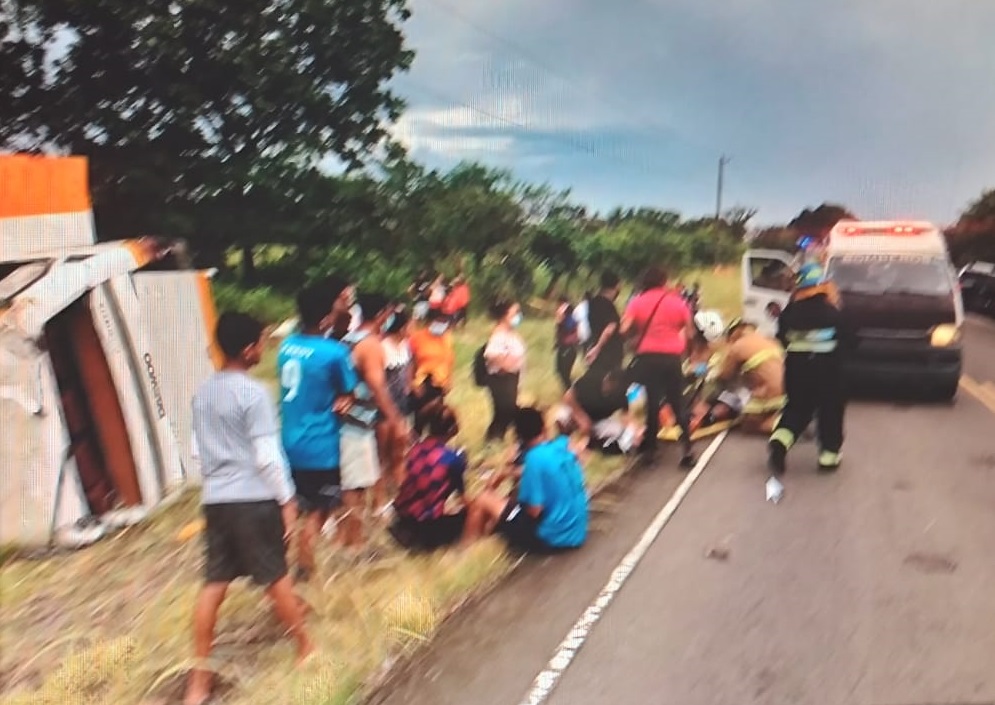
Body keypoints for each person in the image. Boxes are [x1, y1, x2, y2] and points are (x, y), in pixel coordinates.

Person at [185, 312, 313, 705]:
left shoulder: (203, 393)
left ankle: (199, 680)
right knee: (275, 576)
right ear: (247, 349)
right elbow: (267, 456)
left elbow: (194, 450)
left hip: (216, 500)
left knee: (213, 586)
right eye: (260, 342)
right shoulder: (252, 394)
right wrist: (287, 499)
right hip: (252, 497)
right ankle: (306, 647)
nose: (263, 348)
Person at [278, 281, 358, 582]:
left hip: (289, 440)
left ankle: (276, 566)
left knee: (292, 508)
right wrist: (345, 399)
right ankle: (305, 570)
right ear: (326, 318)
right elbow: (349, 392)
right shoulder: (334, 353)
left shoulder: (286, 347)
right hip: (320, 445)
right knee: (317, 512)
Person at [463, 407, 589, 553]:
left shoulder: (533, 459)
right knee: (506, 504)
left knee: (483, 499)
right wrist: (509, 474)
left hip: (553, 538)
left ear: (519, 437)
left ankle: (467, 550)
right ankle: (485, 539)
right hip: (577, 532)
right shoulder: (563, 445)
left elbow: (534, 511)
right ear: (544, 428)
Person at [768, 263, 851, 478]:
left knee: (796, 409)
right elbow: (849, 341)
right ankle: (828, 457)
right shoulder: (833, 312)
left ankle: (780, 441)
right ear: (822, 285)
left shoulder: (790, 313)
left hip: (797, 370)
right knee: (830, 412)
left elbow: (782, 338)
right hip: (829, 372)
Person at [341, 293, 407, 548]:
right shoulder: (372, 345)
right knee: (356, 486)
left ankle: (349, 536)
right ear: (382, 314)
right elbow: (378, 387)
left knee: (355, 480)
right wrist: (396, 419)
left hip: (350, 416)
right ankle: (354, 544)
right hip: (358, 422)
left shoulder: (348, 339)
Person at [621, 266, 696, 468]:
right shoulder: (678, 302)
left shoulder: (636, 303)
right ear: (664, 281)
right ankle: (687, 449)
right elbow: (689, 333)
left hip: (648, 359)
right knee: (677, 403)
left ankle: (650, 453)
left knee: (653, 404)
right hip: (672, 358)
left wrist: (636, 337)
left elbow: (624, 328)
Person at [389, 404, 471, 552]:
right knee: (473, 514)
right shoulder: (452, 459)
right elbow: (463, 499)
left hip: (403, 519)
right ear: (452, 429)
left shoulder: (415, 450)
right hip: (428, 528)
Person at [717, 318, 785, 435]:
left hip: (769, 391)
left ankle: (784, 425)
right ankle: (785, 417)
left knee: (748, 423)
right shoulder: (768, 340)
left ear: (735, 332)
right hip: (788, 387)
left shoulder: (738, 346)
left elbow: (725, 375)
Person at [561, 367, 640, 455]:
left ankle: (589, 445)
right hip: (575, 411)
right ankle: (564, 439)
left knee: (619, 431)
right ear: (610, 380)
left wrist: (634, 432)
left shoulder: (621, 395)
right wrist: (580, 416)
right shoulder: (590, 379)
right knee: (562, 418)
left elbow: (626, 416)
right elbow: (568, 397)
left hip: (597, 422)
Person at [483, 300, 527, 442]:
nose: (517, 316)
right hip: (502, 380)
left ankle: (497, 439)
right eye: (514, 313)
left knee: (505, 412)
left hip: (512, 379)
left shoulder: (511, 334)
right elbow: (491, 354)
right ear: (504, 316)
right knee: (505, 411)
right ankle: (494, 439)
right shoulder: (498, 335)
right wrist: (506, 365)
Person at [381, 307, 414, 492]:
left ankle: (401, 487)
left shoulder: (405, 345)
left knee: (400, 449)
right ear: (401, 328)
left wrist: (409, 386)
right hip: (387, 407)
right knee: (385, 452)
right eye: (410, 324)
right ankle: (385, 489)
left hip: (402, 404)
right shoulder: (384, 348)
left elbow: (409, 366)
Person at [584, 271, 625, 374]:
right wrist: (598, 348)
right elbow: (609, 328)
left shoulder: (593, 303)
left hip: (596, 349)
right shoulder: (608, 305)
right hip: (609, 354)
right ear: (617, 285)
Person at [409, 307, 456, 393]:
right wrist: (412, 385)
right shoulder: (417, 338)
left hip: (441, 385)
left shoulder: (447, 338)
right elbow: (411, 363)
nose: (442, 324)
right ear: (431, 321)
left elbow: (449, 360)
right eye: (439, 321)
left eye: (444, 322)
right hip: (421, 385)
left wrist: (449, 382)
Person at [554, 296, 580, 390]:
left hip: (568, 348)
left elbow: (569, 328)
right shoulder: (565, 317)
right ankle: (570, 391)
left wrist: (560, 318)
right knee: (560, 370)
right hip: (563, 347)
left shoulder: (569, 317)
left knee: (564, 372)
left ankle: (572, 391)